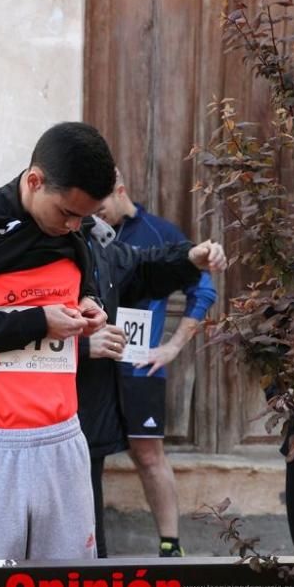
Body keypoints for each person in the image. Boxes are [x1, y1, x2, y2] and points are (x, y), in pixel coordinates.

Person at [0, 121, 225, 566]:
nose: (74, 225)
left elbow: (129, 271)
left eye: (85, 217)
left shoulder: (80, 232)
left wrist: (183, 262)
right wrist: (37, 322)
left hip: (63, 442)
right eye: (66, 213)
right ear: (35, 180)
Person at [77, 191, 223, 558]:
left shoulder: (158, 232)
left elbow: (203, 288)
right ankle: (87, 550)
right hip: (89, 364)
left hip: (138, 365)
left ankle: (171, 544)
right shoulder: (83, 234)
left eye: (100, 206)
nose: (95, 214)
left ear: (120, 192)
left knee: (147, 454)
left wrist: (173, 347)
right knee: (83, 457)